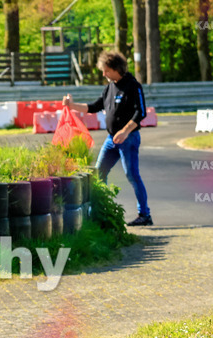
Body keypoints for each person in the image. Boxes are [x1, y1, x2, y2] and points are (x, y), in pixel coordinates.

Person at [63, 50, 152, 226]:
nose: (103, 74)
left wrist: (125, 131)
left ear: (116, 68)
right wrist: (71, 105)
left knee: (132, 175)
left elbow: (140, 112)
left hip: (129, 138)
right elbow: (94, 106)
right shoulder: (109, 87)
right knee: (99, 172)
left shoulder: (133, 86)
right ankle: (102, 210)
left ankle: (145, 215)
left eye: (106, 70)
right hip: (111, 139)